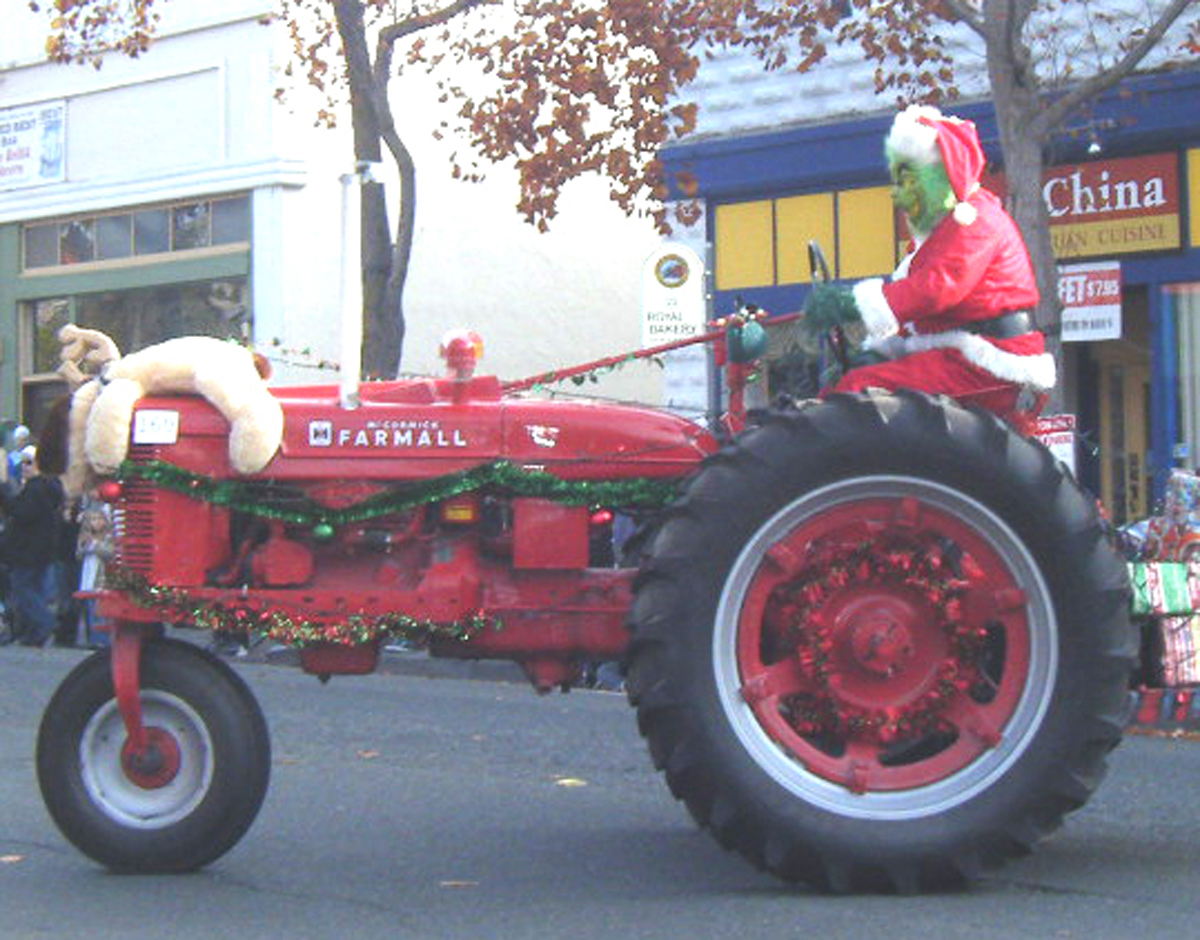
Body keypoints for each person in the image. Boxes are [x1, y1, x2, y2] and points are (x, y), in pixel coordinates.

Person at [802, 105, 1056, 406]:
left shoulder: (977, 221)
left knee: (860, 389)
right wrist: (876, 353)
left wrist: (852, 303)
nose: (897, 195)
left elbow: (935, 289)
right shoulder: (938, 233)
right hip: (958, 353)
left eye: (907, 181)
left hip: (984, 362)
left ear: (944, 175)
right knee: (857, 379)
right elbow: (924, 316)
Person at [1, 444, 66, 647]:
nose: (24, 467)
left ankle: (46, 622)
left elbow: (21, 512)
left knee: (23, 590)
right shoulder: (47, 488)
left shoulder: (36, 488)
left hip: (27, 551)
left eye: (29, 463)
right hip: (39, 550)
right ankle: (34, 633)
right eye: (22, 462)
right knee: (33, 590)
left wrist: (3, 488)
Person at [75, 503, 114, 648]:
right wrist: (84, 546)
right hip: (88, 579)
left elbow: (110, 553)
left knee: (100, 612)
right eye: (92, 519)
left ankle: (102, 639)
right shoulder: (85, 537)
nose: (96, 523)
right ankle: (92, 638)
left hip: (101, 581)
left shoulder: (108, 538)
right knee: (90, 611)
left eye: (99, 519)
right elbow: (79, 555)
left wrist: (96, 545)